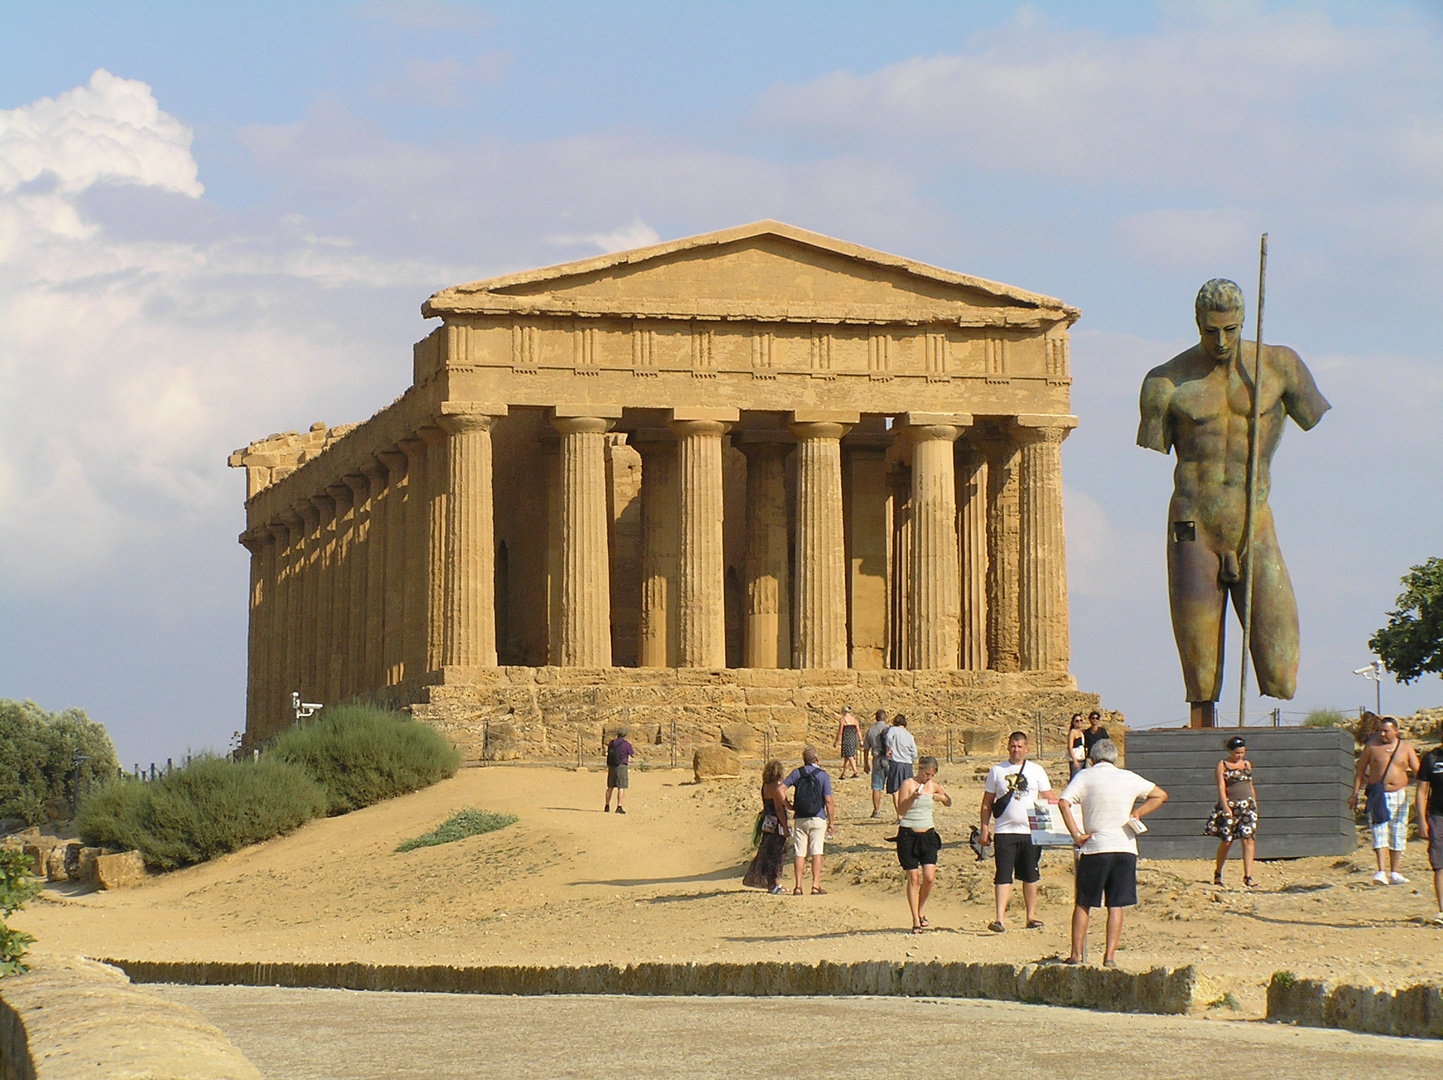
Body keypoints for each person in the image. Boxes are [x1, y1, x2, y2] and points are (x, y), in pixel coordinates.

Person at [1138, 278, 1330, 727]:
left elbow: (1311, 416)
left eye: (1230, 329)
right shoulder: (1164, 382)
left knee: (1282, 673)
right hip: (1193, 523)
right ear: (1197, 325)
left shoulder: (1281, 367)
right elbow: (1154, 444)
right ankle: (1202, 727)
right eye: (1210, 330)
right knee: (1200, 675)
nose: (1221, 340)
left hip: (1253, 520)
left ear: (1243, 322)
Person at [1058, 739, 1168, 967]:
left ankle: (1076, 954)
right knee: (1115, 904)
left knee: (1083, 902)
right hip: (1125, 846)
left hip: (1096, 846)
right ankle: (1109, 956)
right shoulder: (1128, 776)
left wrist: (1076, 834)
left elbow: (1063, 803)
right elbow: (1159, 795)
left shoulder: (1085, 776)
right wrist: (1137, 813)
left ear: (1092, 759)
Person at [980, 731, 1054, 933]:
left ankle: (1031, 916)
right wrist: (984, 828)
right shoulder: (997, 771)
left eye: (1020, 746)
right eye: (1013, 746)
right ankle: (999, 919)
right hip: (1005, 831)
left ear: (1026, 748)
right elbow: (987, 803)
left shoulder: (1037, 770)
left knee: (1030, 875)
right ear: (1008, 747)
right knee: (1003, 875)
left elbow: (1048, 798)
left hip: (1031, 832)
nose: (1016, 749)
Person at [1350, 716, 1420, 885]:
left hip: (1399, 794)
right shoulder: (1372, 748)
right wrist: (1355, 794)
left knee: (1398, 831)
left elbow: (1418, 772)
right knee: (1379, 830)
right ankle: (1381, 870)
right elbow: (1359, 771)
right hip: (1379, 794)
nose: (1382, 734)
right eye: (1380, 731)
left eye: (1386, 731)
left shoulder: (1406, 748)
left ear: (1395, 731)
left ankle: (1395, 872)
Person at [895, 756, 952, 934]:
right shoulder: (908, 784)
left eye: (931, 775)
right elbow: (900, 810)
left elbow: (949, 801)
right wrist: (913, 797)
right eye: (926, 773)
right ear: (919, 769)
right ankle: (915, 920)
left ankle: (920, 909)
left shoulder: (933, 785)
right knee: (913, 877)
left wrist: (940, 797)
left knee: (929, 877)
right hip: (908, 834)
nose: (928, 777)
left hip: (928, 834)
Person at [1205, 736, 1258, 887]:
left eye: (1242, 752)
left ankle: (1248, 876)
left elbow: (1250, 785)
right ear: (1230, 751)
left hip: (1247, 805)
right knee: (1227, 841)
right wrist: (1225, 806)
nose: (1240, 755)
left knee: (1248, 839)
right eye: (1237, 752)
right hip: (1231, 805)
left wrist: (1254, 804)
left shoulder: (1247, 764)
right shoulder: (1222, 765)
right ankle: (1218, 872)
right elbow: (1221, 787)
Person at [782, 746, 836, 895]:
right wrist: (831, 822)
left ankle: (798, 886)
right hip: (818, 816)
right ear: (817, 760)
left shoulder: (797, 773)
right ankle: (815, 885)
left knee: (800, 852)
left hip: (800, 817)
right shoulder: (823, 775)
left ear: (804, 760)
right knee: (817, 851)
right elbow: (828, 800)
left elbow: (781, 789)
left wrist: (789, 806)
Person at [743, 759, 791, 894]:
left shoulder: (765, 786)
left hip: (767, 822)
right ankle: (774, 884)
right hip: (776, 824)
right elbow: (779, 808)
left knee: (767, 851)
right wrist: (786, 827)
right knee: (776, 853)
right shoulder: (775, 787)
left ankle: (771, 883)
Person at [1416, 732, 1443, 925]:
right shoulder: (1431, 758)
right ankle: (1442, 910)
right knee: (1439, 864)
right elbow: (1421, 791)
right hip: (1437, 815)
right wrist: (1421, 819)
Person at [884, 715, 918, 818]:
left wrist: (889, 748)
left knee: (895, 790)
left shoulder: (893, 730)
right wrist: (911, 758)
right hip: (907, 764)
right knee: (907, 790)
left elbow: (888, 737)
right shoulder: (909, 735)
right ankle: (906, 813)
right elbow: (914, 752)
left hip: (896, 763)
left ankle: (899, 814)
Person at [863, 709, 891, 819]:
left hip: (877, 760)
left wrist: (866, 763)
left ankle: (876, 810)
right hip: (889, 759)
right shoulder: (889, 729)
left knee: (876, 786)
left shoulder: (871, 730)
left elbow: (865, 748)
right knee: (894, 785)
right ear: (885, 718)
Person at [604, 726, 634, 814]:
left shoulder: (611, 743)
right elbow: (633, 755)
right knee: (621, 787)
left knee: (610, 787)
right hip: (621, 766)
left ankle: (607, 805)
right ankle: (619, 806)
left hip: (612, 766)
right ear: (625, 735)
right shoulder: (626, 744)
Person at [834, 705, 862, 780]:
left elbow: (840, 732)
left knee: (850, 756)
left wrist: (837, 741)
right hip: (853, 739)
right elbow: (858, 731)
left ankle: (855, 771)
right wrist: (861, 740)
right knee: (847, 757)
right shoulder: (855, 720)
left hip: (846, 739)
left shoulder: (842, 720)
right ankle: (843, 774)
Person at [1067, 714, 1087, 778]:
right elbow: (1070, 747)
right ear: (1073, 722)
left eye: (1081, 720)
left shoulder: (1081, 732)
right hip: (1076, 759)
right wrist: (1074, 760)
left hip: (1082, 759)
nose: (1079, 722)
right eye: (1077, 721)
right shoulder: (1073, 732)